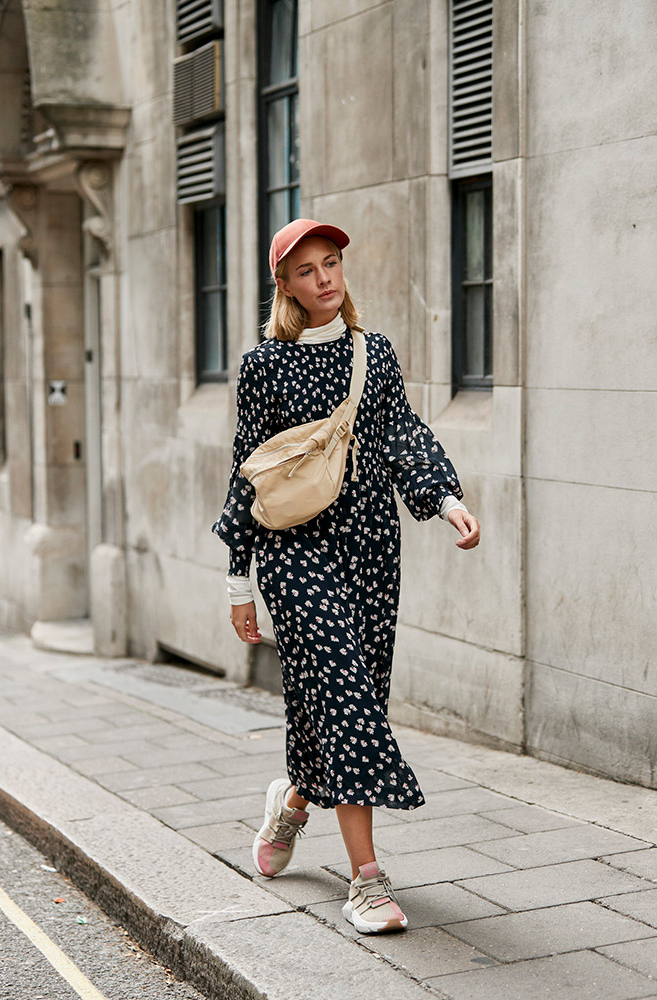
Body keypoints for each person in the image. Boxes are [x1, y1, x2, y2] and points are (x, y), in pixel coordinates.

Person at [212, 218, 481, 934]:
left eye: (331, 264)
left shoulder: (375, 354)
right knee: (343, 692)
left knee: (339, 698)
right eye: (307, 270)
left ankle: (294, 804)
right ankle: (365, 881)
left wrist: (445, 499)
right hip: (295, 553)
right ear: (285, 286)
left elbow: (402, 435)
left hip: (369, 549)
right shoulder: (264, 365)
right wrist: (239, 580)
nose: (325, 279)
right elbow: (248, 472)